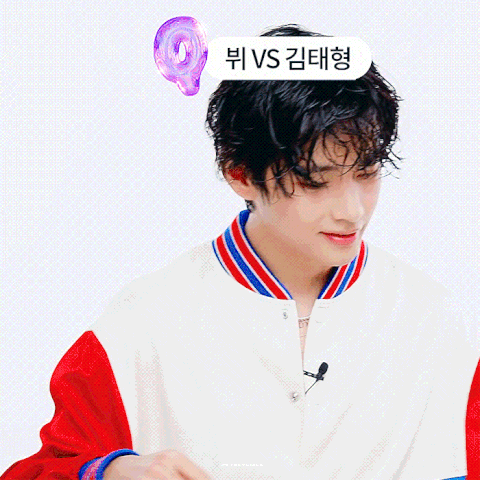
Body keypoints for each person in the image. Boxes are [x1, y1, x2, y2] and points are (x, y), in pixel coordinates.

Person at [1, 24, 478, 480]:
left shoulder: (433, 321)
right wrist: (107, 471)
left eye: (367, 173)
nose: (352, 211)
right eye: (317, 182)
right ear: (240, 173)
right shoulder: (142, 324)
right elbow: (42, 469)